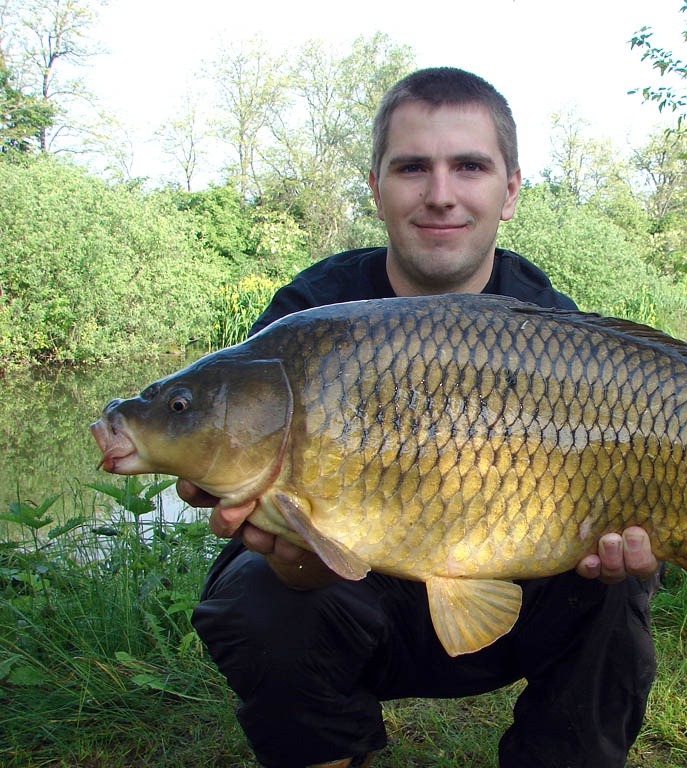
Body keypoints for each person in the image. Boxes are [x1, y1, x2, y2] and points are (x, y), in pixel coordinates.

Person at [183, 67, 661, 768]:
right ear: (376, 186)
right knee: (259, 598)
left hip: (519, 596)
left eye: (469, 166)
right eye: (412, 168)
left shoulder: (557, 332)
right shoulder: (306, 324)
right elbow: (276, 541)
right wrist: (297, 560)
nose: (441, 195)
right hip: (360, 601)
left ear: (511, 189)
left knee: (620, 590)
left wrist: (642, 544)